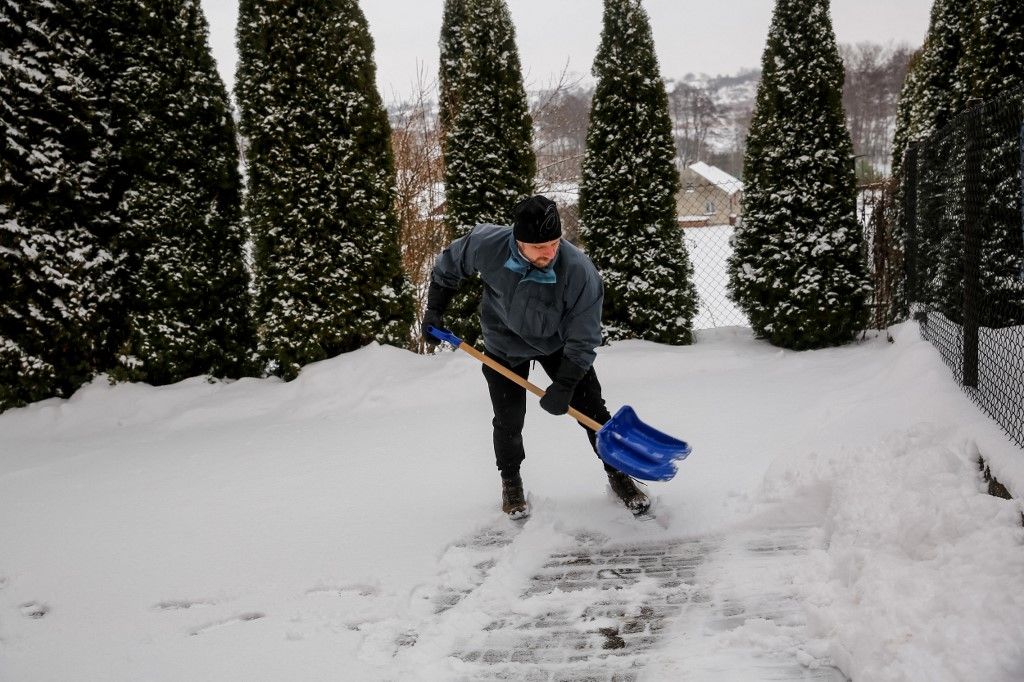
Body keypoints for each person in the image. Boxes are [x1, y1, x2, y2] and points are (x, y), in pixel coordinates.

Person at [423, 195, 650, 519]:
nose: (549, 252)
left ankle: (619, 475)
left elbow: (584, 337)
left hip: (558, 345)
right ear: (518, 242)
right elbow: (449, 265)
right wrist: (434, 309)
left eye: (554, 243)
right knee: (508, 419)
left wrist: (566, 384)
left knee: (593, 411)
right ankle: (511, 482)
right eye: (538, 247)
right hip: (503, 344)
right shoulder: (488, 245)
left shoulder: (578, 271)